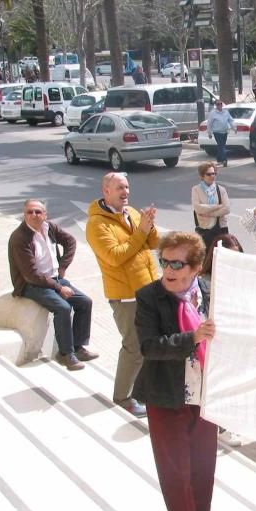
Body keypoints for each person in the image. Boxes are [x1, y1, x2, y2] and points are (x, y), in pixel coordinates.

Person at [133, 231, 228, 511]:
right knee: (177, 469)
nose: (169, 269)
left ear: (197, 266)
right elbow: (149, 347)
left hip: (205, 395)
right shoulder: (148, 297)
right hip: (167, 396)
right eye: (164, 261)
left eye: (177, 262)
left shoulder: (207, 292)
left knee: (204, 462)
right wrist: (192, 337)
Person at [87, 172, 159, 418]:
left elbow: (152, 244)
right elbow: (115, 256)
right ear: (106, 191)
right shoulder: (97, 224)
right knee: (133, 347)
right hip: (126, 296)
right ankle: (123, 398)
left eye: (127, 187)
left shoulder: (134, 213)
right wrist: (141, 232)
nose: (125, 192)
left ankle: (140, 391)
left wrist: (149, 225)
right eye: (119, 187)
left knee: (149, 345)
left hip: (148, 289)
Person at [8, 199, 96, 371]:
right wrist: (59, 288)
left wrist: (62, 267)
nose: (34, 215)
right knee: (62, 308)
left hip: (54, 278)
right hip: (30, 285)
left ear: (45, 215)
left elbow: (71, 241)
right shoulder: (20, 237)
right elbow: (31, 275)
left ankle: (78, 347)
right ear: (24, 214)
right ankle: (65, 354)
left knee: (85, 302)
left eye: (38, 212)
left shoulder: (50, 228)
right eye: (30, 212)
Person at [191, 162, 230, 249]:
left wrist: (209, 214)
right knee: (206, 257)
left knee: (221, 257)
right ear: (202, 176)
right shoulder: (196, 189)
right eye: (209, 174)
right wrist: (217, 206)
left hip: (220, 228)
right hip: (204, 229)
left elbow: (227, 209)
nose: (212, 176)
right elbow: (198, 208)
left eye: (214, 173)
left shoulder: (221, 189)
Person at [205, 99, 235, 166]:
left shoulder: (226, 112)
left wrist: (234, 127)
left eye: (221, 104)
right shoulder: (213, 113)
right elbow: (209, 123)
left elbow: (230, 120)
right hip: (217, 132)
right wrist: (209, 133)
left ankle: (219, 159)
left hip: (225, 132)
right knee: (222, 146)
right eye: (218, 104)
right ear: (216, 105)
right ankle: (224, 160)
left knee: (221, 146)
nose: (220, 105)